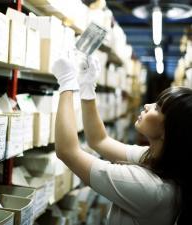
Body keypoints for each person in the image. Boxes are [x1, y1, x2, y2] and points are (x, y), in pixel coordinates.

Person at [52, 54, 192, 225]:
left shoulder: (149, 187)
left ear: (170, 131)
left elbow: (67, 151)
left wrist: (67, 85)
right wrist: (87, 89)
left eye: (157, 107)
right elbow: (99, 140)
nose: (147, 106)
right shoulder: (159, 159)